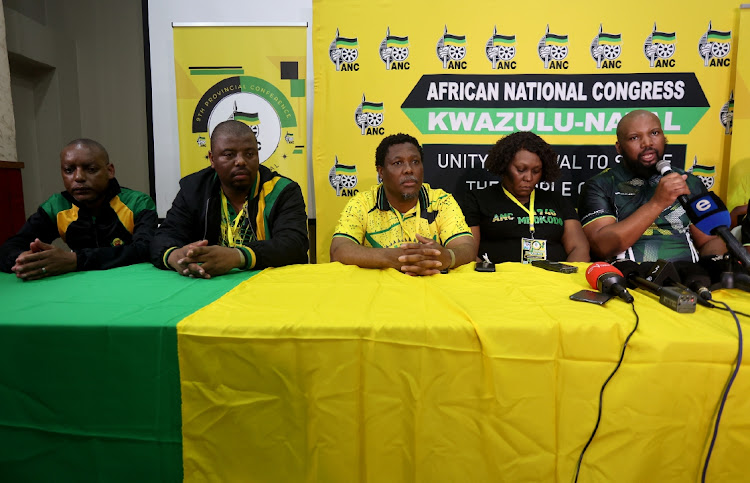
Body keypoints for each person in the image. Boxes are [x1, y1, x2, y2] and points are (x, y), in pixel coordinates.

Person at [151, 120, 308, 278]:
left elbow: (294, 244)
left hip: (271, 284)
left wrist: (237, 257)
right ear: (212, 159)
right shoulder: (194, 189)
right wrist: (176, 256)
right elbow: (164, 236)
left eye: (249, 154)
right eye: (229, 155)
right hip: (210, 286)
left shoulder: (283, 191)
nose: (241, 161)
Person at [578, 110, 726, 262]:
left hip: (689, 278)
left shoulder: (687, 181)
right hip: (631, 279)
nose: (647, 143)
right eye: (634, 137)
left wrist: (712, 266)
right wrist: (658, 202)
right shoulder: (600, 185)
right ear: (619, 148)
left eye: (654, 133)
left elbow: (709, 240)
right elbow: (603, 247)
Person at [0, 139, 157, 280]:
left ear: (110, 171)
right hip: (79, 287)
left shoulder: (137, 202)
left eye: (90, 169)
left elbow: (145, 249)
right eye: (69, 170)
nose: (78, 177)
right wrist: (23, 258)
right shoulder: (57, 206)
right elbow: (10, 247)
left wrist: (76, 260)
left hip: (130, 282)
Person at [330, 133, 475, 275]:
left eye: (415, 162)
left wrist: (447, 257)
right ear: (381, 172)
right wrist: (392, 258)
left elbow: (467, 247)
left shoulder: (442, 201)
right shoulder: (362, 203)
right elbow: (339, 250)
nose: (409, 169)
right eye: (398, 163)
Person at [459, 131, 590, 264]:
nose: (529, 178)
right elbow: (467, 252)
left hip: (553, 281)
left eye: (536, 171)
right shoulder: (478, 199)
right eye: (521, 170)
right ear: (504, 166)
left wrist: (567, 277)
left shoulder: (556, 199)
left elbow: (579, 248)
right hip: (498, 281)